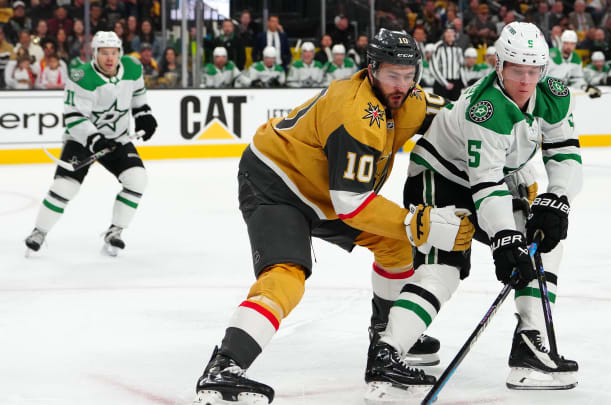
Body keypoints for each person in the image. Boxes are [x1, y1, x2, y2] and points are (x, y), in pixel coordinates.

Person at [192, 28, 474, 405]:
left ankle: (386, 341)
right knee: (286, 276)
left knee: (397, 246)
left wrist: (514, 166)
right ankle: (224, 367)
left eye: (409, 75)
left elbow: (463, 120)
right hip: (277, 182)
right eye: (392, 74)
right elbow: (352, 204)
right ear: (371, 70)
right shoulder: (355, 113)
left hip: (327, 191)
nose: (401, 85)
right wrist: (415, 223)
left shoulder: (411, 99)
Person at [371, 22, 581, 401]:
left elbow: (565, 151)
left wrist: (559, 197)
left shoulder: (553, 93)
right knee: (443, 270)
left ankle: (529, 349)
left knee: (545, 245)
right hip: (440, 177)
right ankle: (385, 354)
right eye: (518, 70)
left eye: (534, 71)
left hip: (494, 181)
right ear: (498, 64)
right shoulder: (484, 109)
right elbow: (484, 184)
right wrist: (504, 237)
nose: (526, 80)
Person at [24, 31, 157, 256]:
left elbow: (138, 96)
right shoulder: (81, 76)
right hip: (82, 140)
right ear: (94, 54)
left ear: (120, 53)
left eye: (113, 53)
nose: (109, 58)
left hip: (118, 138)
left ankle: (115, 231)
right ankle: (39, 232)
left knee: (137, 179)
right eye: (104, 53)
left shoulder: (133, 67)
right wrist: (94, 139)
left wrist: (144, 114)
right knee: (65, 186)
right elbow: (75, 117)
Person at [430, 26, 464, 100]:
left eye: (451, 32)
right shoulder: (438, 47)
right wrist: (445, 83)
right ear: (444, 34)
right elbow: (433, 67)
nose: (449, 34)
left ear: (455, 33)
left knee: (455, 108)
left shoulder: (458, 48)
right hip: (441, 83)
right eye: (447, 32)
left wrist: (464, 84)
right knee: (441, 108)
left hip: (456, 83)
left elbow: (461, 67)